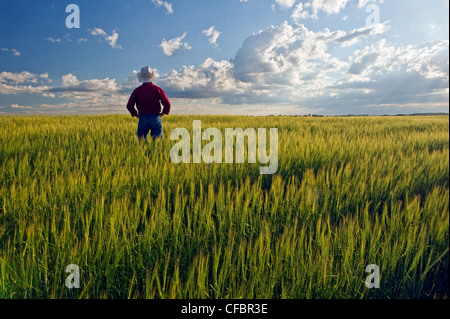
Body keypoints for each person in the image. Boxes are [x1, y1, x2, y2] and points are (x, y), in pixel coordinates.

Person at [126, 66, 171, 141]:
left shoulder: (137, 90)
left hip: (143, 117)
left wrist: (136, 114)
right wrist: (163, 113)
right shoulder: (157, 89)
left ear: (141, 77)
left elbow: (129, 105)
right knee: (157, 142)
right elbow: (167, 104)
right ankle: (156, 152)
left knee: (141, 142)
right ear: (151, 76)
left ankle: (143, 152)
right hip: (155, 117)